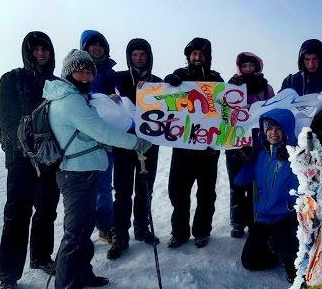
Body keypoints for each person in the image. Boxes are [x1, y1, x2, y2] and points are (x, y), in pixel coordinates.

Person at [43, 49, 151, 289]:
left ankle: (85, 274)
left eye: (89, 70)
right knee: (74, 238)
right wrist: (137, 142)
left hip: (82, 172)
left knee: (82, 231)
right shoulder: (71, 102)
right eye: (80, 70)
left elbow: (90, 132)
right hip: (77, 176)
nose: (86, 74)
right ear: (69, 72)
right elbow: (101, 131)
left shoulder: (74, 97)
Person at [0, 31, 60, 289]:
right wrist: (23, 144)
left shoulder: (57, 84)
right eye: (35, 50)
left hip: (50, 160)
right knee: (16, 215)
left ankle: (42, 257)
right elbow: (5, 120)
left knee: (46, 211)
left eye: (45, 49)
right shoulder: (11, 79)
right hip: (20, 161)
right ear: (27, 52)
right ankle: (8, 277)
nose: (40, 54)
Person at [164, 37, 224, 248]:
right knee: (178, 192)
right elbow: (163, 98)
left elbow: (226, 105)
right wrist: (168, 82)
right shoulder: (179, 76)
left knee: (206, 193)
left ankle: (201, 231)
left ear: (207, 57)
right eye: (194, 54)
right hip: (182, 148)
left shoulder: (216, 79)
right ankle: (179, 233)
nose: (197, 57)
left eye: (201, 54)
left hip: (208, 148)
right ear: (189, 56)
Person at [107, 38, 162, 260]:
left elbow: (174, 104)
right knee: (121, 191)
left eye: (142, 54)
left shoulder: (157, 82)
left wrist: (174, 83)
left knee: (144, 189)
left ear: (148, 56)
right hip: (124, 143)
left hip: (149, 144)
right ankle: (120, 235)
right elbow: (99, 92)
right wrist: (109, 97)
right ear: (129, 57)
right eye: (134, 54)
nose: (138, 58)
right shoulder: (118, 79)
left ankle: (142, 228)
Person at [235, 109, 300, 284]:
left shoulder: (296, 155)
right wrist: (243, 159)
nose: (273, 132)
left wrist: (290, 207)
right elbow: (241, 180)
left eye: (278, 128)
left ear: (286, 130)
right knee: (250, 261)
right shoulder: (261, 153)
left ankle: (292, 259)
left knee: (284, 246)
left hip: (286, 216)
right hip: (264, 217)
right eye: (269, 128)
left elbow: (302, 188)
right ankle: (279, 255)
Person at [226, 52, 275, 238]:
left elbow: (272, 110)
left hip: (260, 143)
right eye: (244, 66)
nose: (247, 69)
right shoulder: (230, 87)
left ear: (257, 67)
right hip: (234, 142)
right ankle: (237, 221)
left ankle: (257, 218)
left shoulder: (266, 88)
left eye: (251, 66)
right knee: (237, 183)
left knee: (259, 183)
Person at [279, 39, 322, 159]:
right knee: (291, 177)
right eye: (307, 59)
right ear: (302, 59)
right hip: (293, 146)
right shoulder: (290, 82)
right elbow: (279, 111)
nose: (311, 64)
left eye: (315, 59)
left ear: (321, 59)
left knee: (317, 178)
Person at [80, 29, 117, 245]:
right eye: (92, 44)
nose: (97, 47)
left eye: (100, 44)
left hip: (106, 137)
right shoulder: (72, 72)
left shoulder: (111, 72)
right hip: (81, 139)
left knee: (104, 185)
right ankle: (82, 229)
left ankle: (105, 226)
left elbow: (123, 97)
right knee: (83, 187)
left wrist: (115, 98)